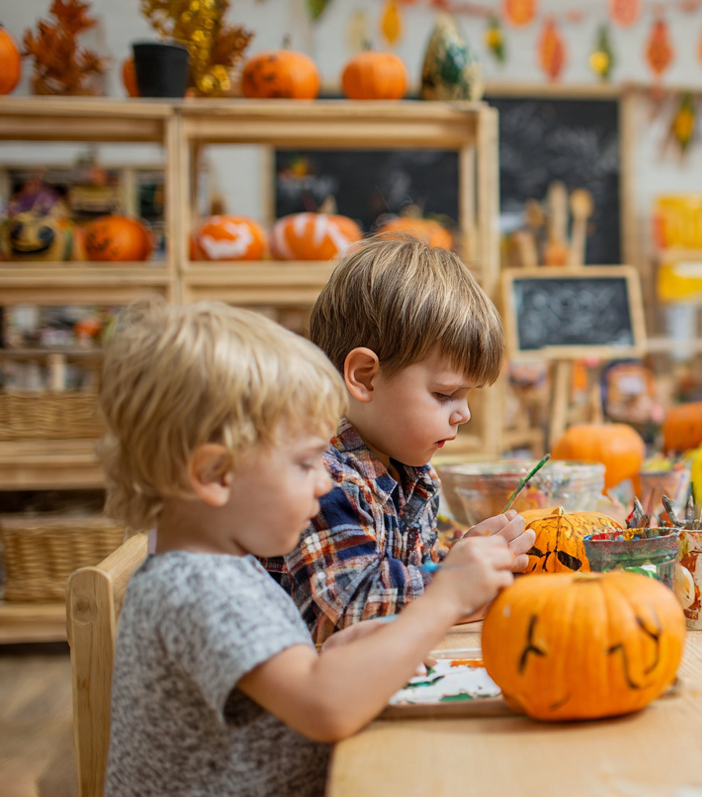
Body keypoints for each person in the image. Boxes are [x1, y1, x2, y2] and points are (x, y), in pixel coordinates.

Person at [100, 301, 518, 796]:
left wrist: (334, 653)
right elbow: (325, 707)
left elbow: (289, 680)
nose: (325, 483)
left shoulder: (218, 565)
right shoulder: (199, 585)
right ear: (214, 475)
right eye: (304, 464)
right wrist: (442, 599)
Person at [263, 236, 533, 642]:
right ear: (365, 377)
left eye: (467, 395)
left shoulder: (410, 470)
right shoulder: (319, 479)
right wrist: (451, 581)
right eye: (444, 394)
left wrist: (455, 557)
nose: (464, 413)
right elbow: (352, 607)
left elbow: (402, 572)